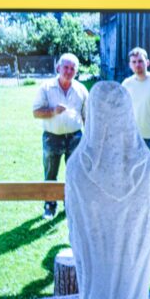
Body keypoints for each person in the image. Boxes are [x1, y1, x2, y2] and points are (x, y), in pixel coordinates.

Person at [32, 52, 88, 219]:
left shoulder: (81, 90)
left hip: (75, 137)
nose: (69, 71)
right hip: (52, 137)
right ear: (58, 67)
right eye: (66, 67)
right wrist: (53, 111)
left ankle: (70, 205)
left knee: (74, 174)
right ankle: (50, 206)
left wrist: (89, 138)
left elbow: (87, 116)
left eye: (73, 68)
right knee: (51, 174)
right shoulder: (46, 87)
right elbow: (36, 112)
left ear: (76, 71)